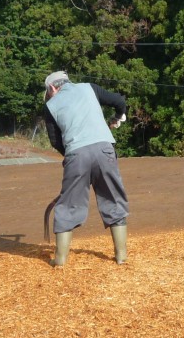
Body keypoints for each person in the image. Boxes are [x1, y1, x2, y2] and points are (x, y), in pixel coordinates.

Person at [42, 70, 129, 267]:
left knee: (69, 204)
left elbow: (55, 140)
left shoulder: (50, 106)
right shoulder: (89, 88)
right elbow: (119, 101)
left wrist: (73, 155)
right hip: (105, 150)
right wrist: (117, 117)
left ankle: (60, 260)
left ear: (52, 88)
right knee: (113, 197)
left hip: (76, 155)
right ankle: (121, 256)